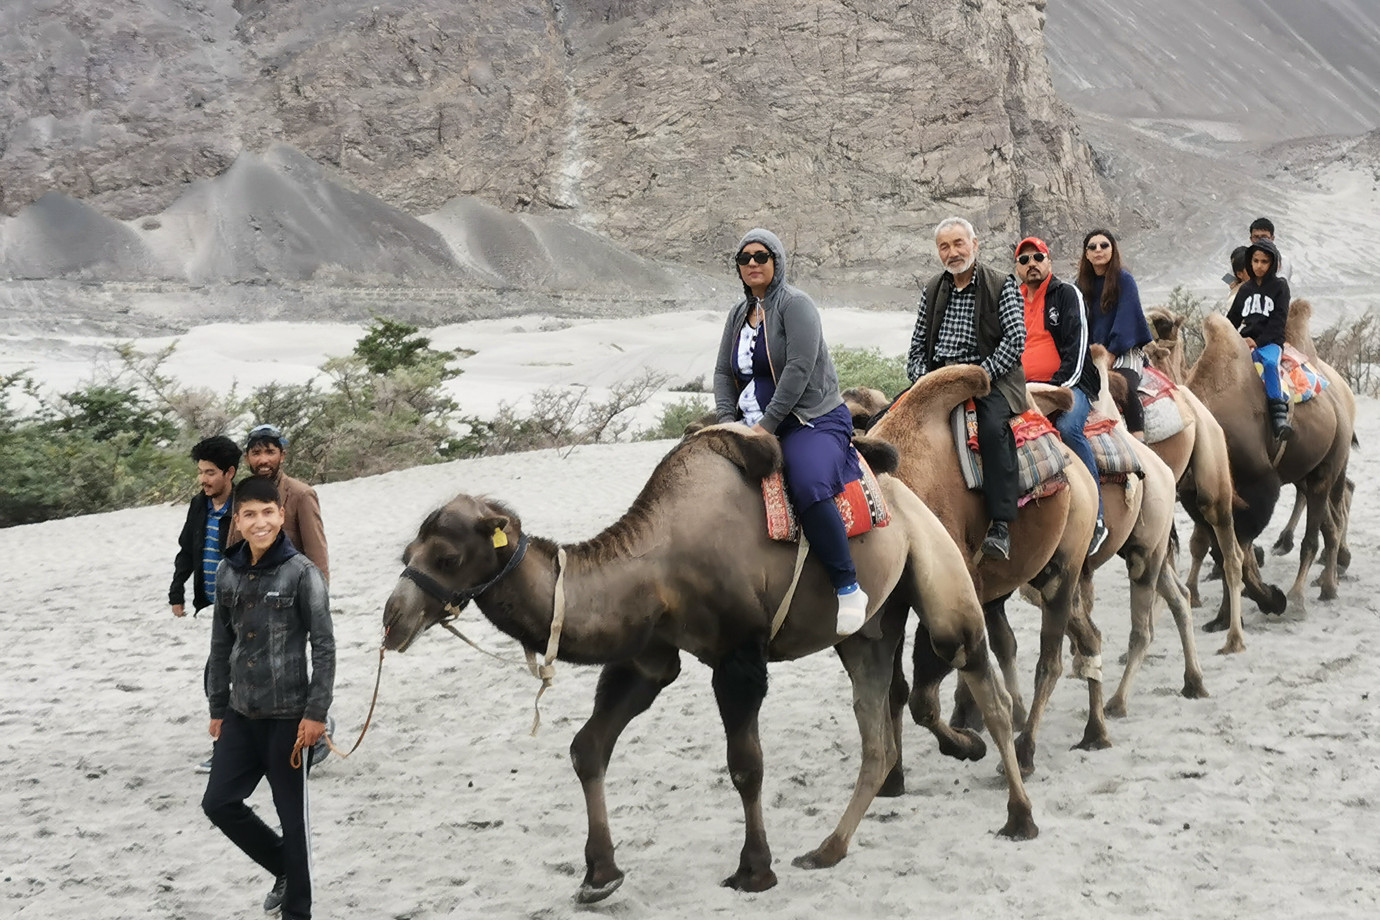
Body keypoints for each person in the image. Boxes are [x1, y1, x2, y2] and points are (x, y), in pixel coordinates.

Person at [713, 228, 869, 635]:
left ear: (777, 261)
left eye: (761, 256)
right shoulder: (738, 314)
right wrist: (728, 421)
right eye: (743, 258)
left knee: (808, 482)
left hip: (809, 417)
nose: (752, 264)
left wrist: (765, 427)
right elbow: (721, 372)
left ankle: (848, 585)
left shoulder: (796, 306)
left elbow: (798, 370)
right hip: (748, 421)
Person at [202, 476, 335, 920]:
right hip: (241, 713)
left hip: (289, 719)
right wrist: (217, 708)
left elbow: (325, 646)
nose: (260, 522)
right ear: (236, 521)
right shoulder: (227, 570)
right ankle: (283, 867)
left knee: (293, 824)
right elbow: (221, 645)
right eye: (249, 514)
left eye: (268, 513)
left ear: (281, 514)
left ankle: (298, 910)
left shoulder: (302, 573)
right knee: (219, 803)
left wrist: (316, 714)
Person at [905, 216, 1026, 560]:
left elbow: (1015, 340)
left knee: (991, 430)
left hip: (990, 380)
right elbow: (916, 347)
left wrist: (978, 378)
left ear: (975, 244)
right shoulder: (932, 289)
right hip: (939, 380)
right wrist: (920, 379)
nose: (953, 252)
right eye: (945, 246)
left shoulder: (1001, 284)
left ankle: (1001, 524)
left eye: (959, 243)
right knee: (888, 419)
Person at [1015, 236, 1107, 553]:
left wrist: (1056, 387)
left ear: (1048, 261)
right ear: (1017, 268)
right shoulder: (1012, 300)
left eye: (1037, 257)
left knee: (1068, 428)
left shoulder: (1067, 294)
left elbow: (1078, 348)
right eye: (1024, 260)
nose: (1032, 265)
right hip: (1024, 389)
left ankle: (1097, 517)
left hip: (1070, 384)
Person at [170, 435, 241, 773]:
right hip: (217, 606)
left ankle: (227, 750)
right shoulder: (200, 504)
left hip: (246, 603)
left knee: (219, 675)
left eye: (210, 472)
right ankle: (232, 747)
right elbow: (188, 547)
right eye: (200, 472)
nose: (203, 479)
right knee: (220, 676)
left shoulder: (246, 504)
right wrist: (177, 590)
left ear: (229, 472)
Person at [1076, 229, 1152, 439]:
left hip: (1125, 350)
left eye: (1104, 245)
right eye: (1092, 247)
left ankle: (1139, 441)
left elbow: (1127, 318)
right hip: (1092, 354)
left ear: (1113, 250)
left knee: (1124, 387)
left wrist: (1112, 352)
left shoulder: (1124, 280)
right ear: (1086, 254)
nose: (1098, 250)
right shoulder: (1080, 286)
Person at [235, 424, 329, 583]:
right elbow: (234, 546)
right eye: (256, 453)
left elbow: (317, 555)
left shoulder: (301, 495)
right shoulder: (242, 494)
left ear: (282, 456)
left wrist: (318, 598)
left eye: (270, 452)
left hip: (290, 592)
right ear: (247, 459)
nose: (263, 460)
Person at [1227, 238, 1292, 440]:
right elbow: (1233, 319)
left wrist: (1258, 342)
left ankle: (1278, 418)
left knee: (1270, 363)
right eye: (1255, 261)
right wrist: (1230, 338)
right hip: (1245, 341)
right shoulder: (1245, 290)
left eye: (1264, 262)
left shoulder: (1280, 287)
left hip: (1269, 341)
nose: (1259, 266)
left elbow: (1278, 321)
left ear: (1272, 263)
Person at [1249, 217, 1293, 282]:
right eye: (1256, 237)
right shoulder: (1244, 257)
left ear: (1272, 238)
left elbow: (1281, 285)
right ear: (1251, 239)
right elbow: (1230, 277)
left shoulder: (1283, 261)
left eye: (1264, 237)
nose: (1260, 241)